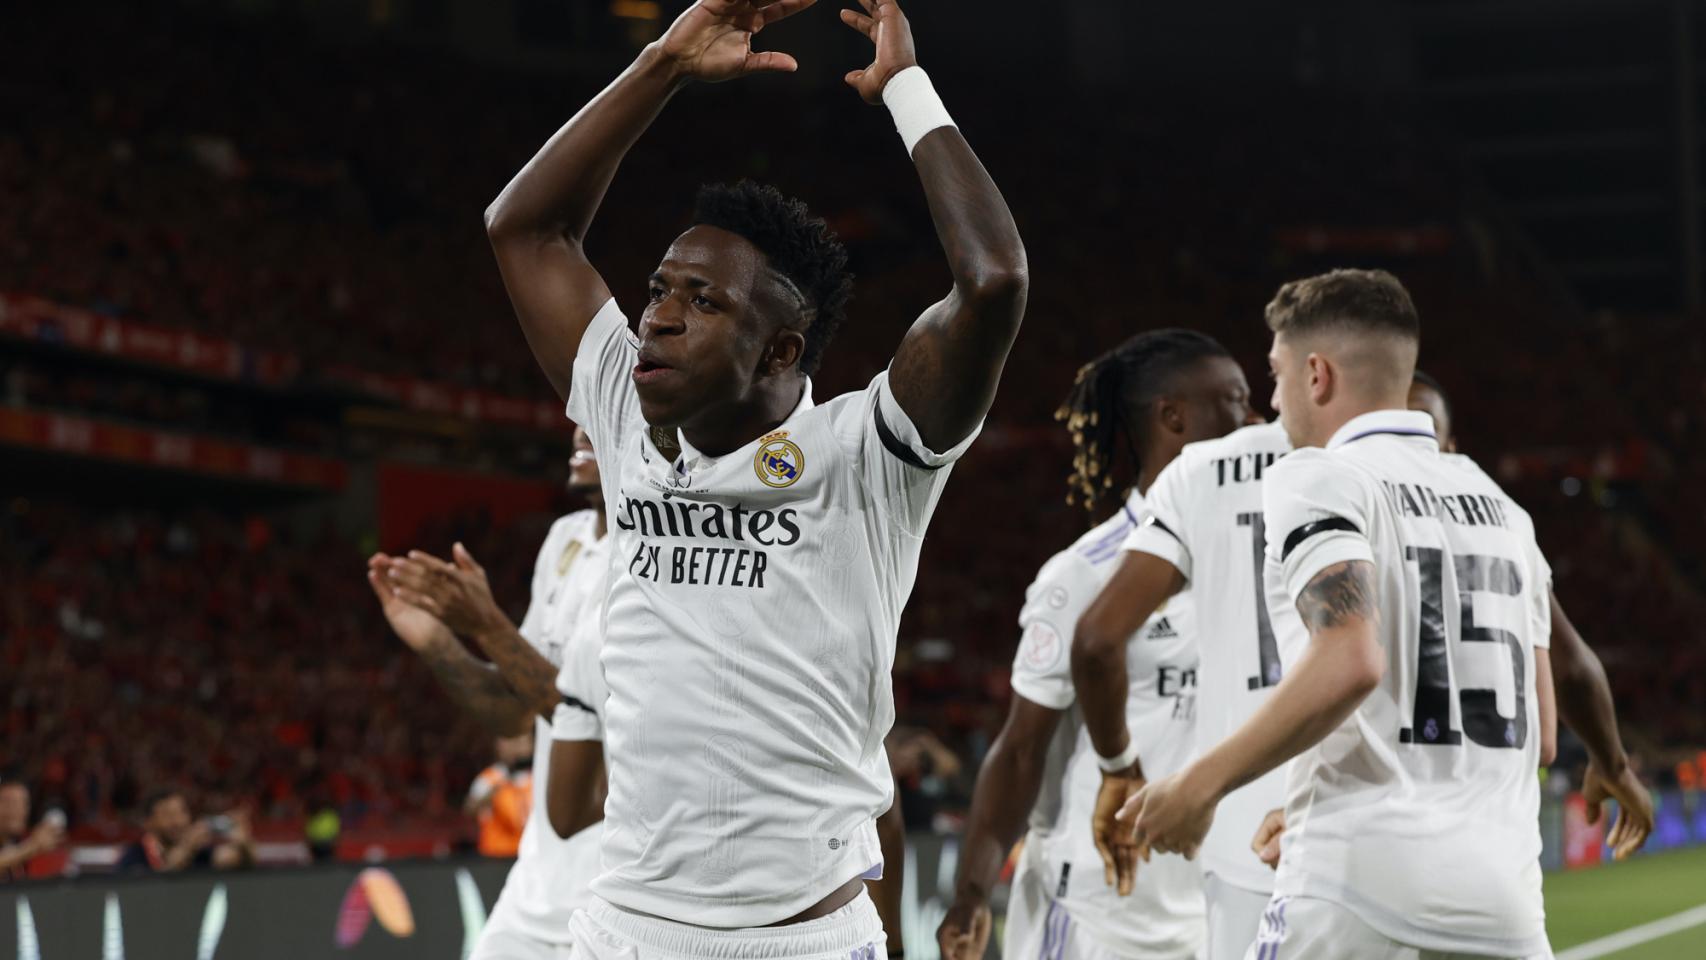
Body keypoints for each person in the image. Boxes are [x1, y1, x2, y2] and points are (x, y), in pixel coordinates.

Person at [483, 0, 1026, 955]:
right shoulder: (622, 408)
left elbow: (992, 281)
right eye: (657, 290)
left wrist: (905, 88)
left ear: (781, 350)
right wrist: (663, 63)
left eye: (703, 301)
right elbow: (523, 228)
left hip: (799, 939)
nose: (657, 317)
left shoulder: (869, 454)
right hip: (624, 931)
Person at [1121, 268, 1560, 958]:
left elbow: (1351, 657)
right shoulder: (1505, 510)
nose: (1272, 399)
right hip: (1505, 905)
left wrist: (1199, 786)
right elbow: (1547, 732)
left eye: (1276, 374)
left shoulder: (1320, 474)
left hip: (1355, 890)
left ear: (1316, 375)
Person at [938, 331, 1257, 960]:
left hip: (1208, 904)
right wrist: (972, 893)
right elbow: (1022, 749)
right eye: (1236, 400)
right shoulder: (1084, 574)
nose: (1254, 419)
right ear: (1174, 417)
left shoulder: (1249, 564)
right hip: (1094, 909)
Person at [370, 427, 610, 960]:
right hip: (537, 887)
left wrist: (489, 626)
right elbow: (514, 712)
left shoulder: (659, 556)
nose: (578, 426)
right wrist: (438, 642)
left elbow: (595, 722)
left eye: (598, 409)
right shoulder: (565, 538)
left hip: (618, 894)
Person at [1072, 401, 1292, 956]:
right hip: (1378, 833)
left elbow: (1096, 640)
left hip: (1230, 840)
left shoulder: (1204, 476)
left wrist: (1127, 772)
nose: (1254, 410)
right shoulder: (1369, 470)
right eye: (1233, 397)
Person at [114, 789, 253, 873]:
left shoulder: (198, 853)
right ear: (148, 822)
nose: (178, 822)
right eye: (168, 815)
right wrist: (186, 848)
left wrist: (243, 841)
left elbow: (238, 860)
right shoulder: (134, 856)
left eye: (182, 812)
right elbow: (150, 886)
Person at [468, 731, 537, 858]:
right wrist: (497, 789)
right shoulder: (489, 778)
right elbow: (470, 810)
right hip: (496, 856)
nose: (515, 747)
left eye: (522, 742)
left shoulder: (539, 777)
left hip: (531, 855)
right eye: (510, 742)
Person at [1, 774, 65, 882]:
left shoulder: (20, 841)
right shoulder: (28, 846)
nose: (17, 810)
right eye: (9, 803)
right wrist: (32, 847)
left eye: (23, 803)